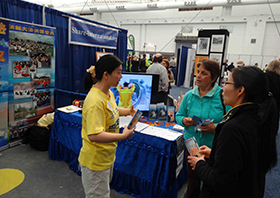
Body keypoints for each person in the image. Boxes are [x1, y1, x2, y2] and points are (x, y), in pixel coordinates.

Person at [188, 66, 279, 198]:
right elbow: (242, 160)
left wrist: (199, 164)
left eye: (227, 83)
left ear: (240, 90)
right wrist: (215, 154)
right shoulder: (258, 119)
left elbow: (221, 181)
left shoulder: (233, 128)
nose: (223, 88)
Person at [79, 54, 136, 198]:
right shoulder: (94, 101)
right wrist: (122, 136)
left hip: (106, 158)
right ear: (106, 74)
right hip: (95, 162)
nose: (121, 76)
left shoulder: (108, 93)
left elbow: (113, 111)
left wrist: (128, 112)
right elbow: (94, 135)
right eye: (118, 72)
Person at [176, 59, 231, 198]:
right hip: (192, 145)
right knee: (192, 180)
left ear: (213, 78)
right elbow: (179, 115)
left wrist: (216, 127)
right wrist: (184, 120)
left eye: (203, 73)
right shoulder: (189, 95)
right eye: (198, 72)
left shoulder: (222, 95)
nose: (198, 76)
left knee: (213, 182)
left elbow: (232, 121)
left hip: (213, 147)